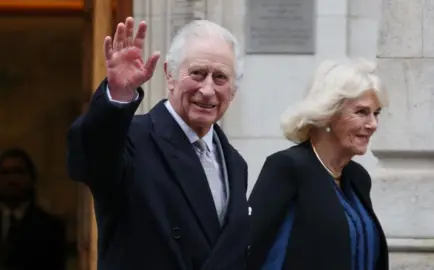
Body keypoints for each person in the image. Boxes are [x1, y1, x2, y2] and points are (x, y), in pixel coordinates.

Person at [66, 17, 250, 270]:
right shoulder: (131, 139)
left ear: (233, 91)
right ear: (170, 75)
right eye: (197, 73)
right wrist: (118, 96)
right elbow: (87, 159)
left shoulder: (235, 164)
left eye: (220, 78)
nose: (207, 90)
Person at [247, 59, 389, 270]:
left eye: (376, 113)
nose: (372, 125)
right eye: (362, 112)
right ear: (329, 113)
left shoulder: (357, 177)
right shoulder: (288, 167)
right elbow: (253, 249)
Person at [0, 148, 66, 270]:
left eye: (18, 172)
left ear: (31, 178)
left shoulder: (50, 227)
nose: (11, 180)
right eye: (5, 173)